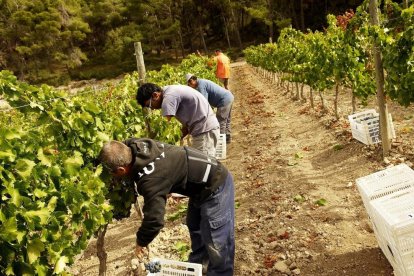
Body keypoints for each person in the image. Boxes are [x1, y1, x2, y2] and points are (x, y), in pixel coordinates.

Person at [98, 138, 235, 275]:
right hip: (198, 185)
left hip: (215, 185)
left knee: (217, 242)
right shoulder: (135, 145)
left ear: (122, 169)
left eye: (113, 173)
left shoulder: (151, 181)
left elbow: (154, 221)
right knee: (195, 225)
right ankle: (199, 267)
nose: (112, 177)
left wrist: (141, 242)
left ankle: (220, 272)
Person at [136, 83, 220, 157]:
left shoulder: (168, 99)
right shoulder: (169, 90)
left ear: (155, 95)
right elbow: (186, 125)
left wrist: (157, 145)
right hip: (206, 129)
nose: (153, 109)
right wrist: (178, 138)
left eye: (150, 105)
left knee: (204, 167)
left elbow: (166, 127)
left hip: (205, 131)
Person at [186, 74, 234, 144]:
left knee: (220, 121)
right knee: (227, 119)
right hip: (229, 96)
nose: (190, 87)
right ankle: (227, 138)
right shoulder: (202, 82)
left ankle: (220, 142)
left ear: (192, 81)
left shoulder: (201, 86)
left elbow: (204, 102)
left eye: (189, 85)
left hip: (224, 100)